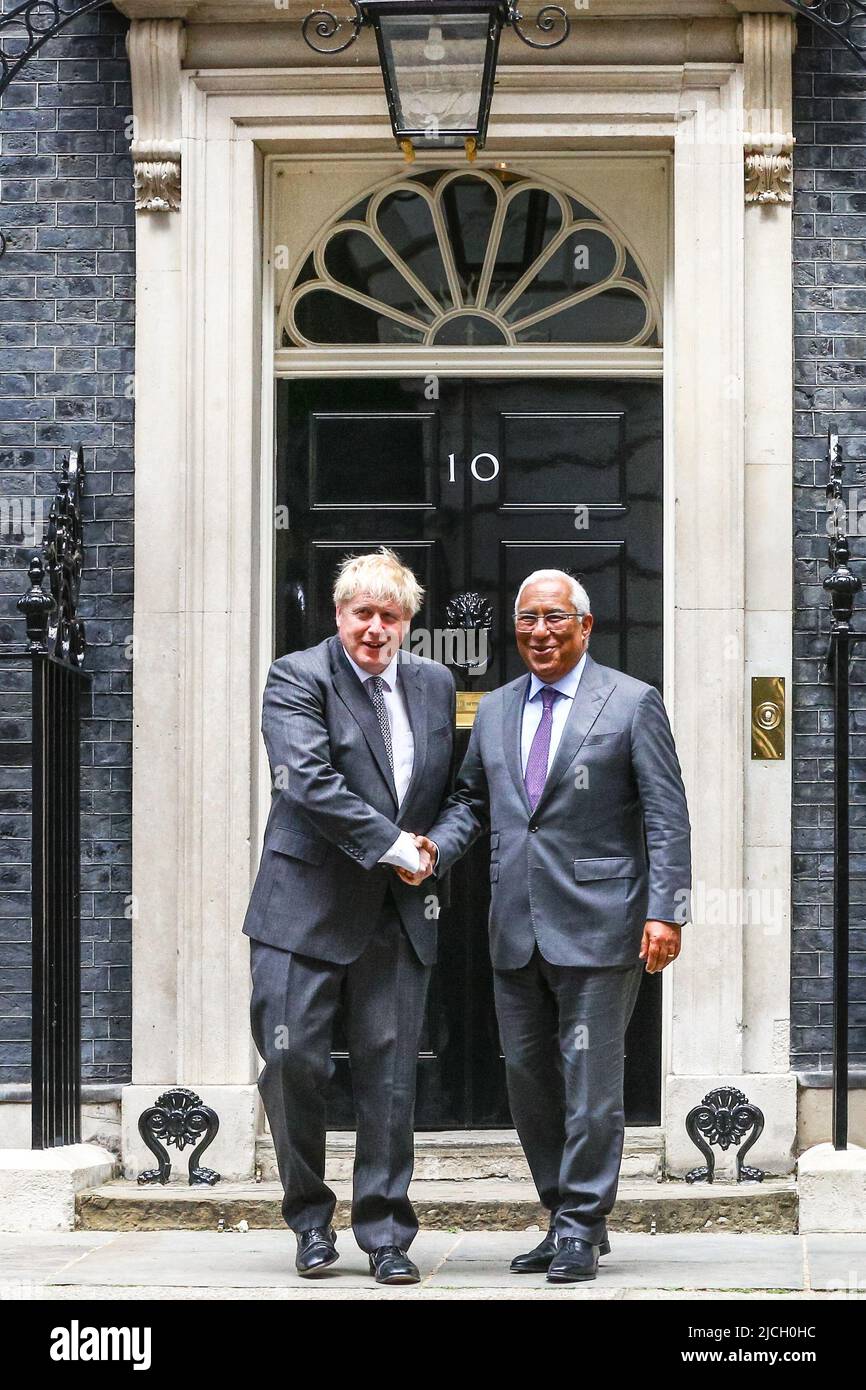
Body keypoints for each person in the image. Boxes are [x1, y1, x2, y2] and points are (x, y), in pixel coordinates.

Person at [399, 568, 692, 1283]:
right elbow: (472, 801)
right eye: (528, 619)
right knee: (530, 1084)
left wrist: (666, 910)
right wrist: (435, 849)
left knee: (590, 1082)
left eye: (555, 618)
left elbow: (665, 815)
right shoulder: (496, 709)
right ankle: (565, 1216)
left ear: (584, 626)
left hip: (602, 924)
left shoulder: (631, 703)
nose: (540, 632)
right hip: (516, 926)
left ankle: (582, 1228)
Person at [242, 548, 455, 1285]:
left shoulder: (433, 684)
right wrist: (395, 844)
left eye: (389, 616)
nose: (375, 628)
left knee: (391, 1079)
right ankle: (308, 1217)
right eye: (362, 613)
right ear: (339, 615)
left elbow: (458, 794)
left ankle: (387, 1232)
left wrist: (434, 852)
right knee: (294, 1061)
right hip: (302, 909)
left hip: (396, 914)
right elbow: (306, 779)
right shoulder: (297, 677)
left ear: (406, 623)